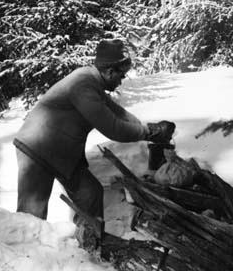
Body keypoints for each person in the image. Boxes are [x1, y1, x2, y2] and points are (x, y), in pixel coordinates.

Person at [13, 38, 174, 246]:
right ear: (109, 71)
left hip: (61, 152)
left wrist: (148, 127)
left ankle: (86, 246)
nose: (121, 80)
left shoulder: (93, 83)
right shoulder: (83, 85)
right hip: (37, 148)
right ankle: (25, 259)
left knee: (90, 194)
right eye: (121, 74)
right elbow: (112, 127)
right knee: (31, 215)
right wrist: (147, 133)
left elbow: (118, 113)